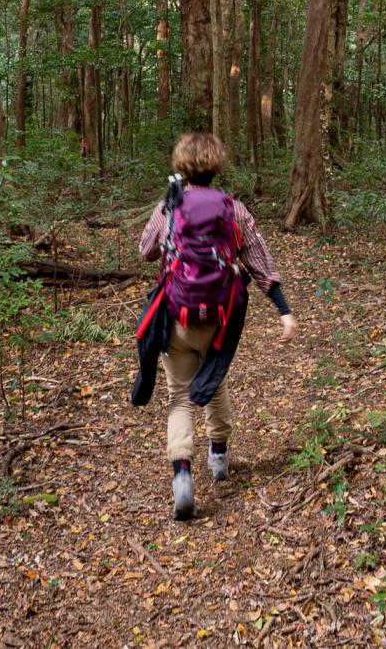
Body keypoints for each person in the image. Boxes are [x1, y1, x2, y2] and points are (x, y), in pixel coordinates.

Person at [132, 132, 296, 520]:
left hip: (176, 318)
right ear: (216, 164)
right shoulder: (232, 208)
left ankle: (183, 476)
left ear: (182, 166)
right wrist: (283, 309)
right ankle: (218, 456)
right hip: (219, 320)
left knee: (179, 395)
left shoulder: (168, 206)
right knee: (214, 380)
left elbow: (145, 251)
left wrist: (168, 216)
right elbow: (259, 260)